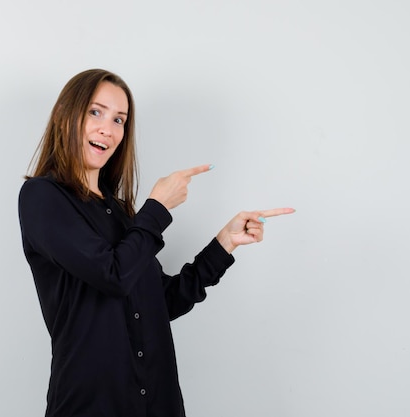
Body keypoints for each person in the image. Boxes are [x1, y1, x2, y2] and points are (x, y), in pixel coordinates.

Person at [18, 68, 295, 417]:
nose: (108, 128)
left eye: (120, 119)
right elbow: (112, 275)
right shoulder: (42, 197)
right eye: (95, 112)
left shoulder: (118, 212)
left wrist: (223, 245)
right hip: (90, 405)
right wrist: (158, 208)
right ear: (63, 114)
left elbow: (159, 303)